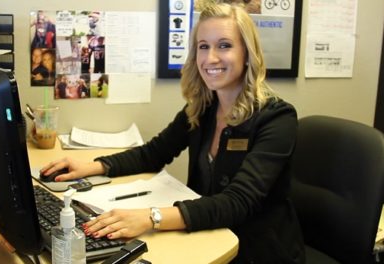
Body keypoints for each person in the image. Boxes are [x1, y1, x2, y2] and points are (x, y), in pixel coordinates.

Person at [40, 3, 304, 263]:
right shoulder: (204, 108)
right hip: (207, 234)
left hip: (257, 250)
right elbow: (154, 154)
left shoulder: (278, 118)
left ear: (247, 53)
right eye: (203, 46)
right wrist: (92, 166)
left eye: (224, 45)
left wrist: (151, 217)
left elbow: (238, 202)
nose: (210, 58)